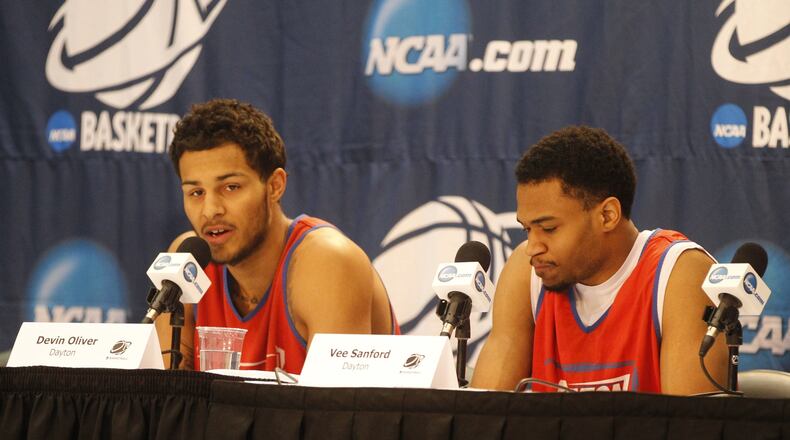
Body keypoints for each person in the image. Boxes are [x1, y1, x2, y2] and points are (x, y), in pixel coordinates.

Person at [472, 126, 727, 395]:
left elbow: (688, 425)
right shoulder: (526, 275)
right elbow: (483, 417)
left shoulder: (678, 274)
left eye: (548, 229)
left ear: (607, 215)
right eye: (527, 229)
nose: (532, 247)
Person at [155, 98, 399, 373]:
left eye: (231, 187)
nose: (210, 210)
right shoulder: (188, 264)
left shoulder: (328, 262)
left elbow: (339, 412)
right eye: (196, 193)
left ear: (274, 186)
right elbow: (166, 401)